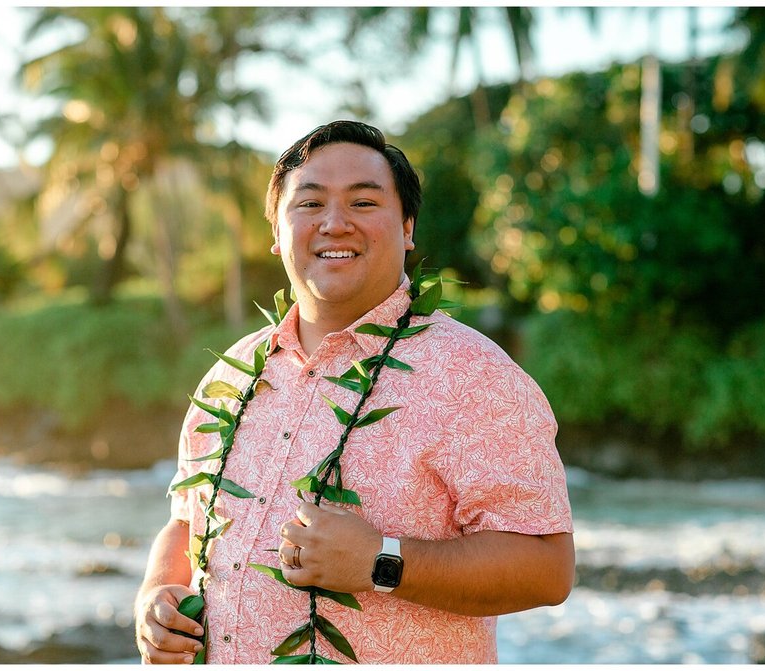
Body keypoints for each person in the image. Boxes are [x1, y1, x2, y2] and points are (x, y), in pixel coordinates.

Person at [134, 120, 574, 664]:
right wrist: (155, 594)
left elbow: (547, 568)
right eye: (310, 204)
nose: (335, 224)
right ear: (276, 232)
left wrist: (380, 562)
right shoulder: (233, 375)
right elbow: (185, 521)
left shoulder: (475, 376)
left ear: (407, 227)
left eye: (364, 203)